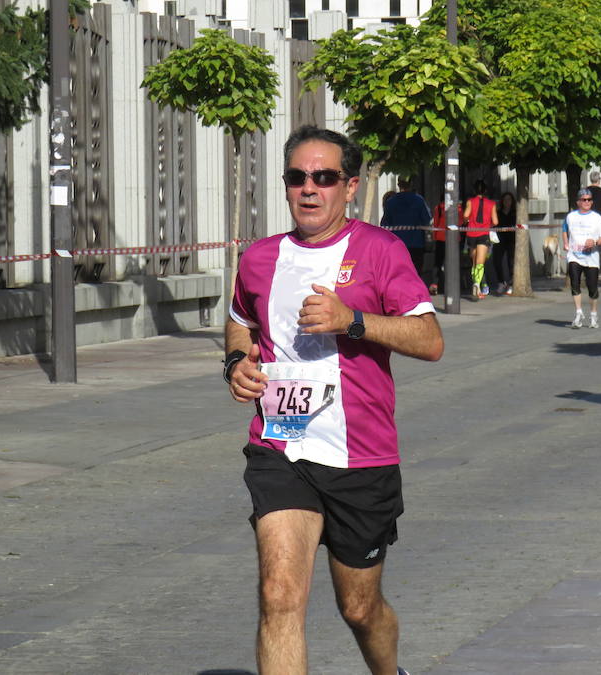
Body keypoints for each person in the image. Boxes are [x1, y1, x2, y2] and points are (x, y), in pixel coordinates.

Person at [224, 125, 443, 675]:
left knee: (359, 608)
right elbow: (239, 324)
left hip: (361, 457)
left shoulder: (381, 250)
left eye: (324, 178)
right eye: (298, 178)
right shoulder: (259, 259)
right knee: (279, 594)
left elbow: (430, 341)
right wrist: (235, 365)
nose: (310, 189)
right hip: (282, 445)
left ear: (349, 186)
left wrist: (354, 322)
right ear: (285, 185)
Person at [562, 188, 601, 328]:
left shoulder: (596, 217)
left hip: (591, 257)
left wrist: (594, 242)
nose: (587, 202)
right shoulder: (571, 216)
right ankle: (578, 313)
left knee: (592, 288)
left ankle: (593, 314)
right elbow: (564, 229)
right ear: (578, 202)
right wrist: (565, 243)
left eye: (589, 200)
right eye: (584, 200)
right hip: (574, 256)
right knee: (574, 284)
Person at [381, 177, 431, 276]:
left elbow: (384, 223)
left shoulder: (391, 202)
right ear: (411, 184)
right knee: (416, 272)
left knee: (398, 273)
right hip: (416, 243)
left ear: (398, 185)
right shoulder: (419, 200)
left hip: (396, 243)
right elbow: (427, 220)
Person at [462, 179, 498, 300]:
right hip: (483, 234)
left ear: (474, 190)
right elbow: (496, 221)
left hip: (471, 234)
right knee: (480, 263)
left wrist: (468, 220)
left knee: (474, 262)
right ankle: (477, 284)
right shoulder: (492, 204)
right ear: (486, 190)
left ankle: (475, 283)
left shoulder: (470, 202)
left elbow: (466, 216)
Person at [494, 191, 517, 295]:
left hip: (511, 240)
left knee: (511, 262)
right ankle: (501, 282)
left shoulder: (515, 213)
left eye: (509, 199)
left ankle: (511, 284)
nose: (507, 202)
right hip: (500, 239)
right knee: (497, 260)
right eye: (505, 200)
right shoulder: (498, 213)